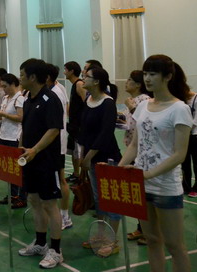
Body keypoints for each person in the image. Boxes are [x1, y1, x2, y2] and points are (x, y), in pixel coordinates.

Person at [119, 55, 192, 272]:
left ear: (167, 76)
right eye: (145, 74)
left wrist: (147, 174)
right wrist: (120, 169)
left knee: (175, 245)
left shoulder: (179, 109)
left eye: (153, 74)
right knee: (152, 239)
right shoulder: (143, 106)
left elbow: (179, 154)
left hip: (165, 186)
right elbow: (135, 145)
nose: (147, 79)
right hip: (141, 184)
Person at [17, 59, 64, 269]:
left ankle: (56, 250)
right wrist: (21, 146)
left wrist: (35, 150)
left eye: (22, 75)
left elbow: (53, 130)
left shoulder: (50, 99)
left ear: (33, 77)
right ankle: (40, 243)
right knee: (34, 201)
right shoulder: (28, 99)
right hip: (29, 159)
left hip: (46, 161)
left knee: (49, 204)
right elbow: (26, 127)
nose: (20, 78)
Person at [80, 66, 122, 257]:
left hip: (108, 158)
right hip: (90, 157)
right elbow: (84, 131)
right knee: (98, 200)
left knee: (111, 200)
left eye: (86, 76)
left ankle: (112, 241)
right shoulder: (88, 100)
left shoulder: (108, 103)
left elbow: (105, 134)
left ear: (96, 81)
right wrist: (83, 154)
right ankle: (100, 235)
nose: (83, 79)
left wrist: (88, 157)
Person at [121, 70, 151, 245]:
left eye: (130, 80)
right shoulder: (132, 101)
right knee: (138, 193)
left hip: (143, 152)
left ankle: (149, 231)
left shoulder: (144, 100)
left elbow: (143, 123)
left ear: (138, 84)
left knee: (144, 193)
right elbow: (130, 124)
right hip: (132, 149)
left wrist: (131, 107)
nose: (126, 82)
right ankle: (141, 228)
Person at [0, 73, 26, 208]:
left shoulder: (20, 98)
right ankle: (12, 194)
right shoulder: (6, 98)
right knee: (9, 168)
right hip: (4, 135)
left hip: (14, 137)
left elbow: (20, 117)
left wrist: (4, 114)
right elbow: (2, 117)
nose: (3, 89)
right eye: (1, 86)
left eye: (5, 86)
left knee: (18, 169)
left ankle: (22, 197)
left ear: (13, 84)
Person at [46, 63, 72, 231]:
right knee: (58, 180)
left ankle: (64, 216)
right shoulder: (58, 88)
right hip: (55, 143)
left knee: (60, 180)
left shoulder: (55, 93)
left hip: (57, 144)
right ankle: (61, 215)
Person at [63, 61, 86, 184]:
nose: (64, 72)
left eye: (65, 70)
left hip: (79, 127)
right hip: (73, 125)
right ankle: (76, 174)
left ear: (71, 71)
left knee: (79, 153)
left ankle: (82, 177)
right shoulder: (73, 85)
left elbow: (87, 103)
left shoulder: (79, 84)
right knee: (73, 151)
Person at [182, 89, 197, 197]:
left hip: (195, 135)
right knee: (184, 163)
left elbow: (196, 121)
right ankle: (186, 187)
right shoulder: (180, 99)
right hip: (183, 135)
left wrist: (183, 132)